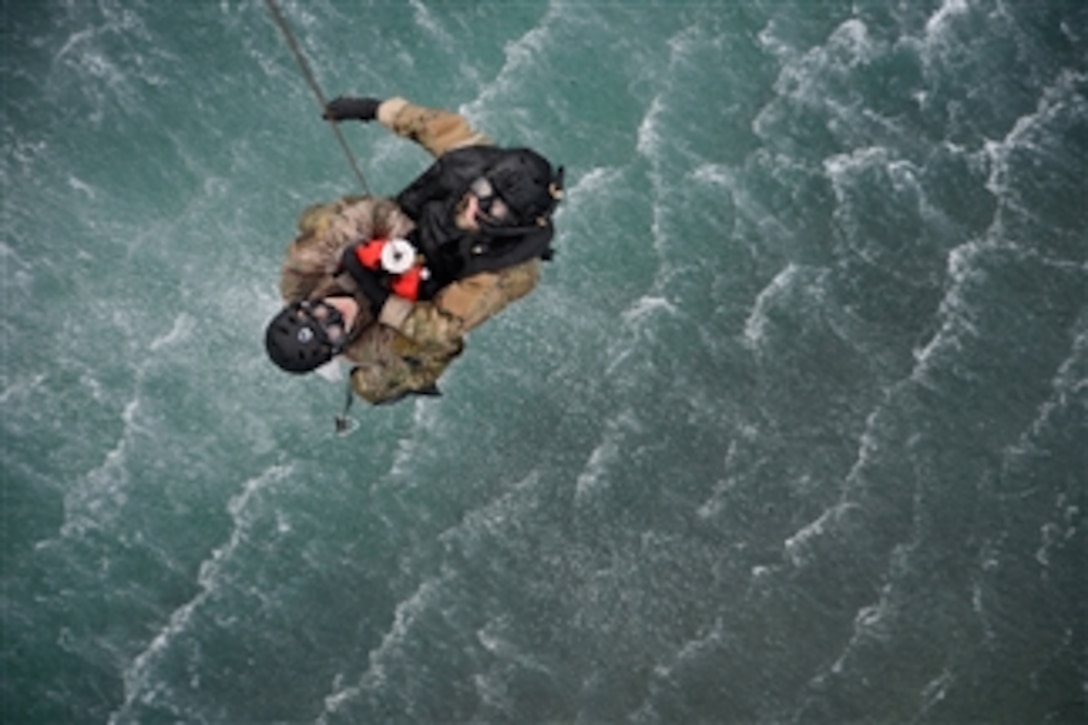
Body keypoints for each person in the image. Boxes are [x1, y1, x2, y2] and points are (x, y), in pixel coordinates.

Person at [264, 95, 565, 409]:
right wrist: (374, 110)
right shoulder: (475, 161)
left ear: (513, 224)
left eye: (495, 210)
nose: (333, 310)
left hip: (453, 272)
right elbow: (429, 124)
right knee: (318, 221)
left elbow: (441, 330)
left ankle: (415, 380)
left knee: (386, 378)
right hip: (408, 249)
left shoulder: (497, 270)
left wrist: (382, 290)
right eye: (483, 191)